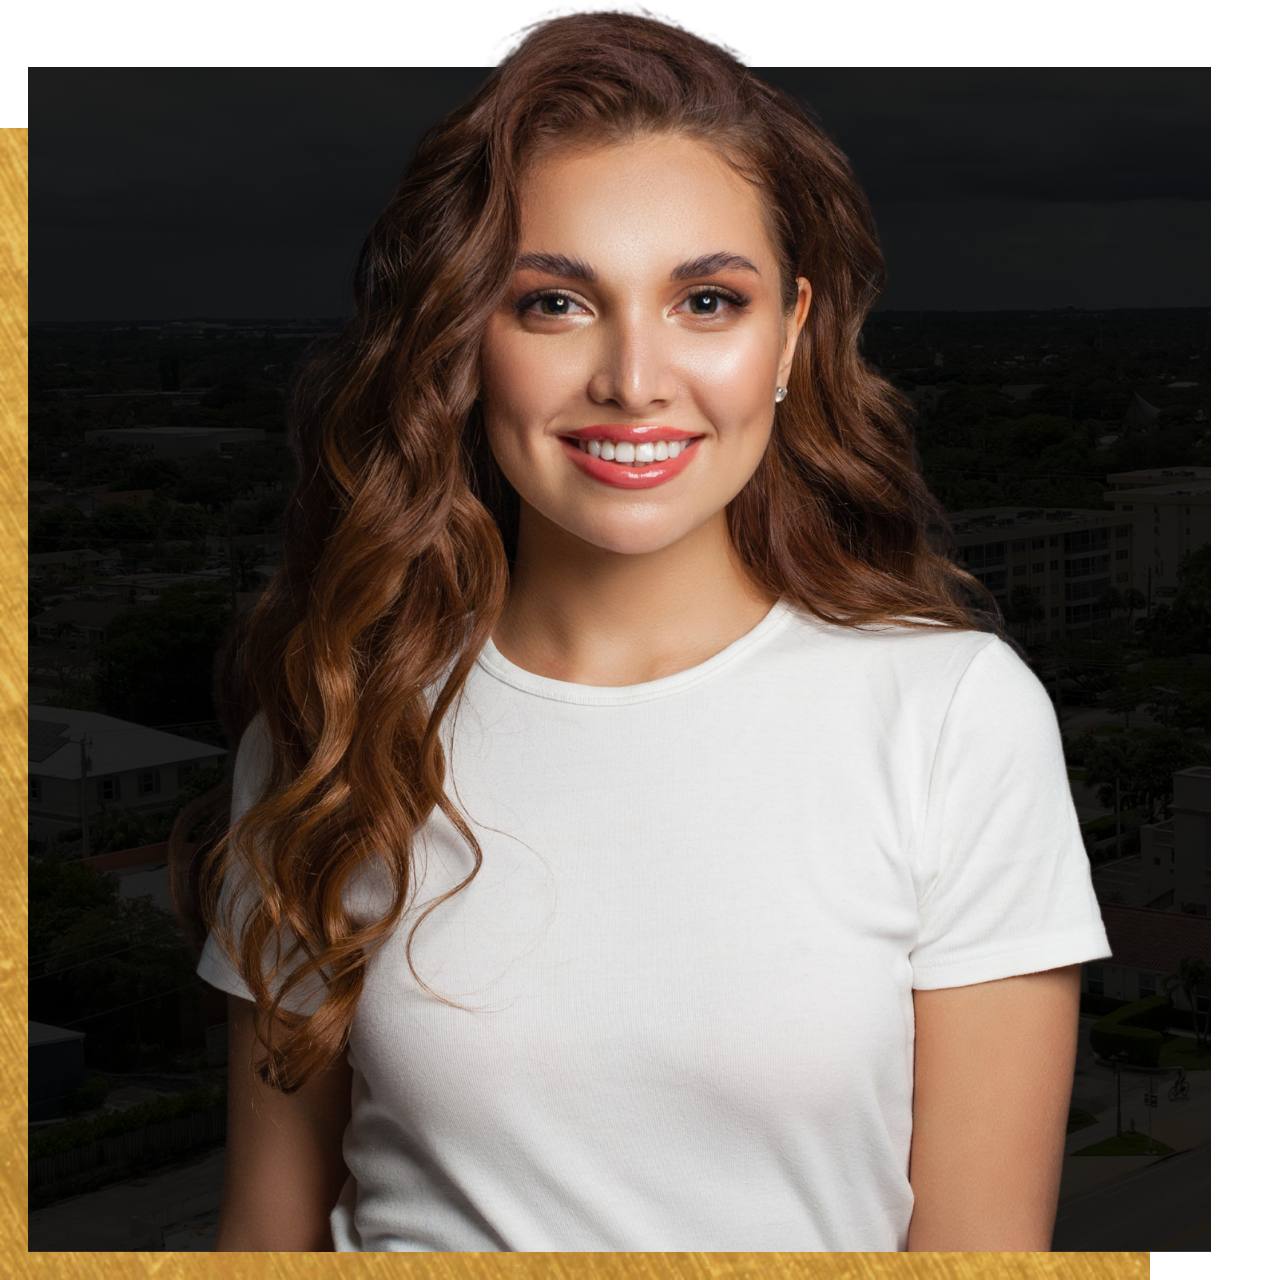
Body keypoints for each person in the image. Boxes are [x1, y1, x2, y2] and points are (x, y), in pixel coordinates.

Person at [193, 6, 1111, 1252]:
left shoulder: (952, 715)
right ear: (465, 338)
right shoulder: (335, 721)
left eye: (704, 301)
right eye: (555, 304)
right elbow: (267, 1233)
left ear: (788, 334)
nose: (633, 378)